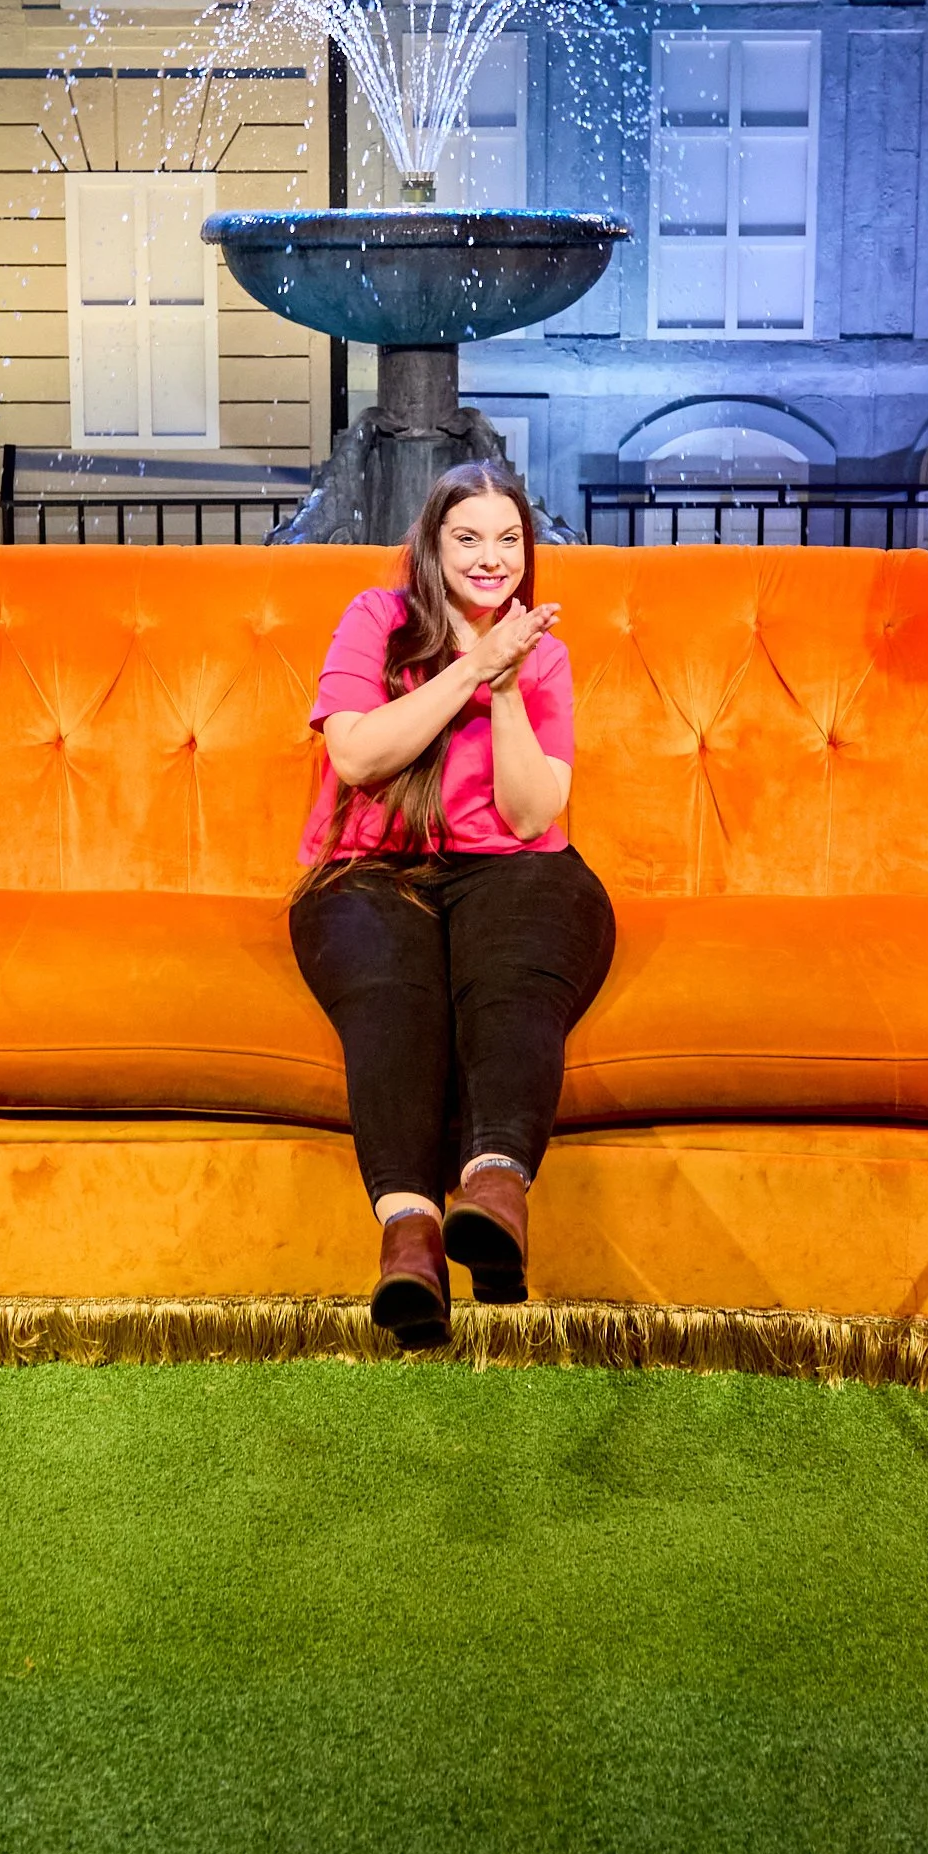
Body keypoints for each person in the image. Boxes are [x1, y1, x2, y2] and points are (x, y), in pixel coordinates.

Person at [289, 460, 616, 1350]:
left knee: (511, 984)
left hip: (515, 871)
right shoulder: (377, 619)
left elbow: (528, 814)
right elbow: (357, 759)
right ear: (431, 547)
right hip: (371, 870)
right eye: (468, 537)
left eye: (508, 539)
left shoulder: (542, 654)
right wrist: (473, 665)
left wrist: (508, 684)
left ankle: (494, 1196)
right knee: (394, 999)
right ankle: (410, 1240)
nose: (491, 557)